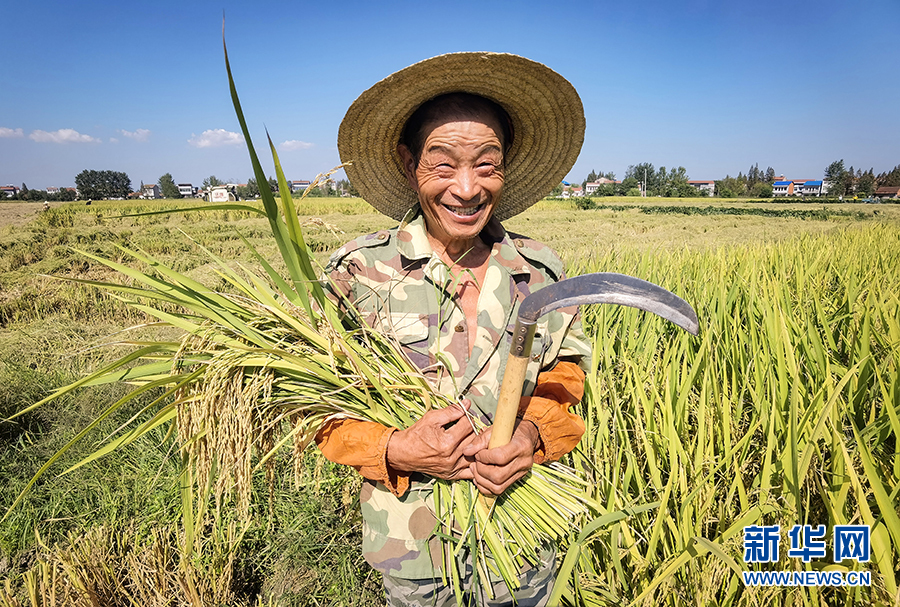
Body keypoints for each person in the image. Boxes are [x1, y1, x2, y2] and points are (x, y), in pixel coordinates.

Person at [316, 52, 590, 606]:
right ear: (408, 161)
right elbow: (313, 409)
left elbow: (565, 378)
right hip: (412, 547)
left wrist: (531, 436)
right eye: (443, 165)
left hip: (524, 539)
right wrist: (394, 448)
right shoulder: (358, 274)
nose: (467, 190)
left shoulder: (539, 271)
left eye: (487, 165)